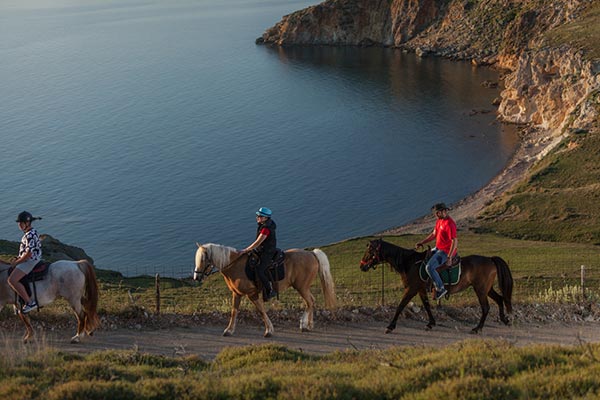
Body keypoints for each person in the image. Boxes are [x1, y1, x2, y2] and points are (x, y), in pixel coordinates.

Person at [415, 203, 458, 301]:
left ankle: (440, 288)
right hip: (438, 248)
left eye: (437, 213)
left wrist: (449, 257)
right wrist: (422, 242)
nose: (436, 215)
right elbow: (434, 234)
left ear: (443, 211)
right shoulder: (439, 221)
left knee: (429, 267)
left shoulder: (450, 224)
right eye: (436, 213)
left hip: (445, 252)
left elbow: (454, 241)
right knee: (422, 257)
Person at [8, 211, 43, 314]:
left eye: (21, 223)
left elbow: (28, 254)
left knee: (12, 280)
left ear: (27, 223)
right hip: (29, 259)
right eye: (19, 223)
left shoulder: (30, 235)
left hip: (31, 261)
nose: (19, 225)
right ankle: (19, 301)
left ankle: (30, 302)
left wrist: (17, 262)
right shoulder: (30, 233)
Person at [241, 207, 278, 300]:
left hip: (267, 251)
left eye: (260, 216)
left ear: (266, 218)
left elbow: (258, 242)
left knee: (260, 270)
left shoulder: (266, 229)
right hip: (262, 249)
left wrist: (246, 249)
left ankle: (270, 290)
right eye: (257, 215)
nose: (257, 217)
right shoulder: (265, 225)